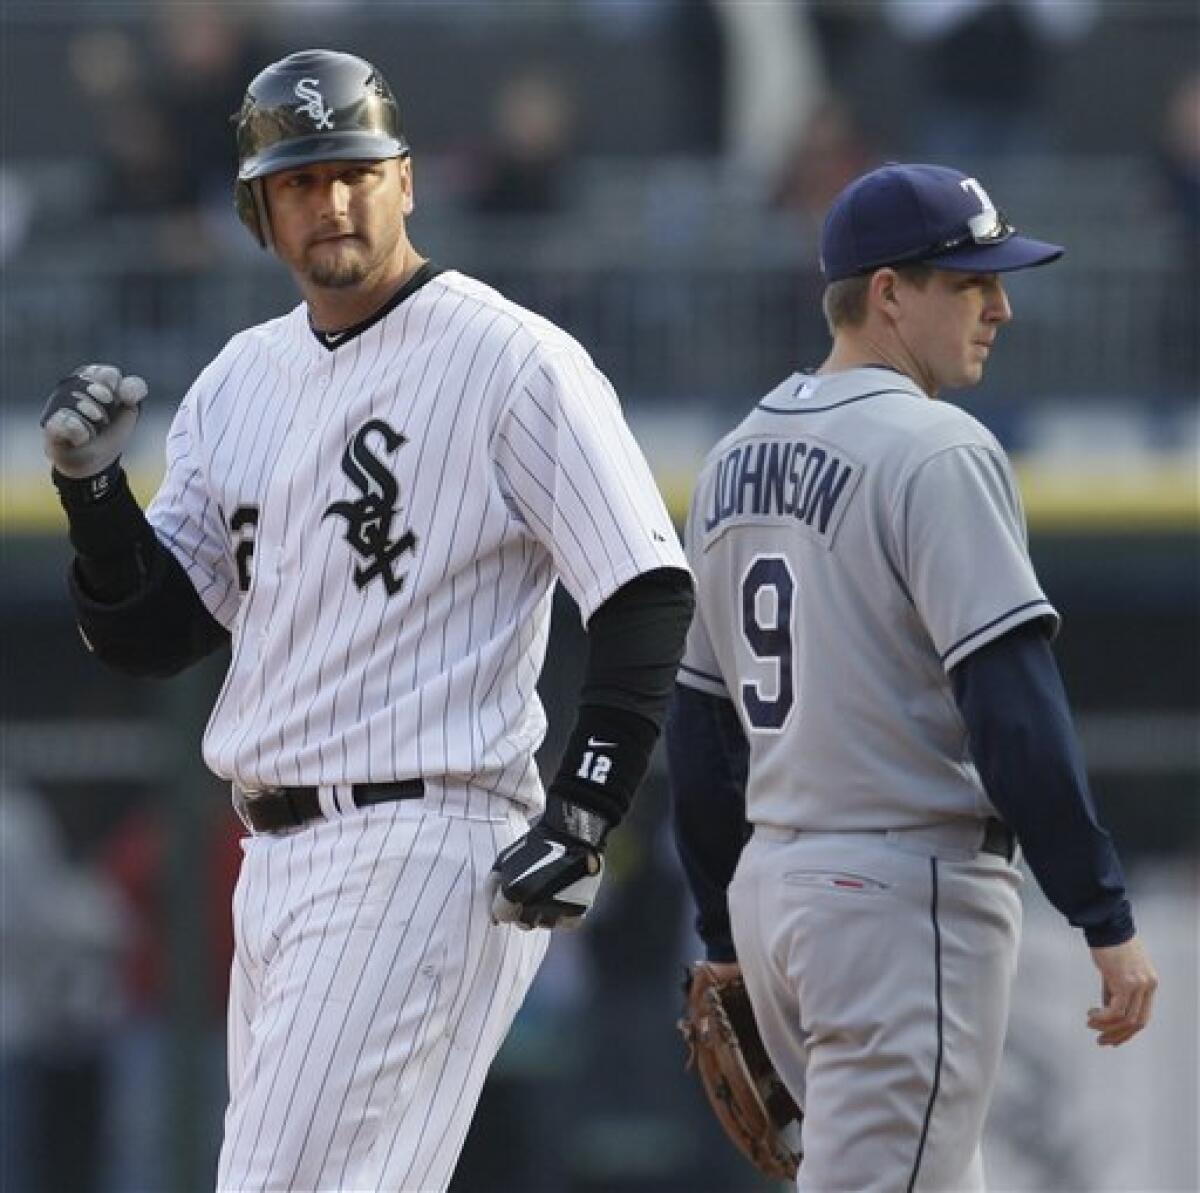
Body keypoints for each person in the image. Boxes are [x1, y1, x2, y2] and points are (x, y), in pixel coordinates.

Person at [40, 49, 693, 1193]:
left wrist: (588, 807)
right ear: (259, 208)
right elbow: (159, 633)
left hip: (422, 833)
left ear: (405, 181)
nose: (331, 201)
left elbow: (644, 586)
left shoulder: (510, 356)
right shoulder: (241, 378)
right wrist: (96, 497)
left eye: (354, 170)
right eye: (299, 181)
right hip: (277, 857)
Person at [666, 162, 1158, 1191]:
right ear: (888, 292)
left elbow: (702, 737)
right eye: (972, 282)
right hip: (898, 899)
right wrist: (1102, 913)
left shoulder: (729, 460)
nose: (1002, 305)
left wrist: (724, 929)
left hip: (781, 894)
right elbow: (1014, 710)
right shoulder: (936, 449)